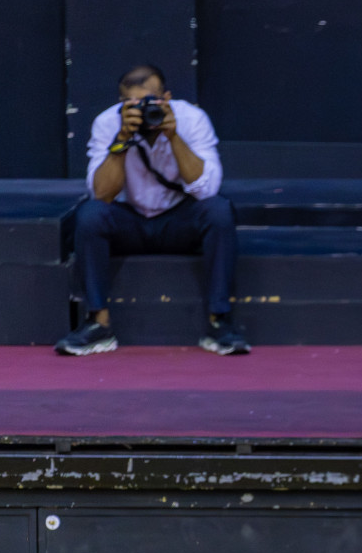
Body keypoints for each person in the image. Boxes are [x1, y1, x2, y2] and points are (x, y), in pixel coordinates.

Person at [56, 63, 249, 356]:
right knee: (90, 215)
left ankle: (219, 321)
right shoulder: (107, 123)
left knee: (219, 211)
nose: (143, 110)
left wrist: (173, 136)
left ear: (167, 98)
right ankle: (98, 323)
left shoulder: (192, 119)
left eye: (150, 101)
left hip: (178, 221)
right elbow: (102, 194)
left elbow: (207, 190)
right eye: (132, 103)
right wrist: (122, 139)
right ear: (121, 103)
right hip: (129, 221)